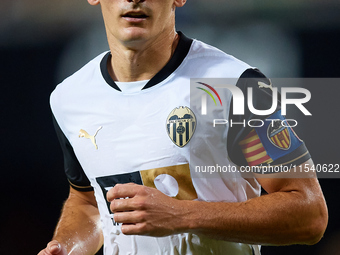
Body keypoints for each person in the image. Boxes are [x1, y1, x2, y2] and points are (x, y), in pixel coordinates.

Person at [38, 0, 328, 254]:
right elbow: (90, 201)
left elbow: (309, 213)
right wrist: (67, 247)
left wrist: (181, 216)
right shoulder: (69, 98)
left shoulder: (234, 84)